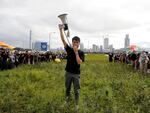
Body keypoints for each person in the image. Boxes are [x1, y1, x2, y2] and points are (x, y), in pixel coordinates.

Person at [58, 24, 85, 110]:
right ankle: (67, 102)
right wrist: (61, 30)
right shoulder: (69, 49)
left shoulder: (81, 53)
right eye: (74, 42)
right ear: (72, 42)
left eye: (77, 42)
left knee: (76, 90)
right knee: (67, 89)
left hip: (76, 74)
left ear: (79, 43)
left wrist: (76, 52)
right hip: (68, 73)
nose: (75, 43)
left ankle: (77, 104)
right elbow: (63, 40)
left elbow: (79, 62)